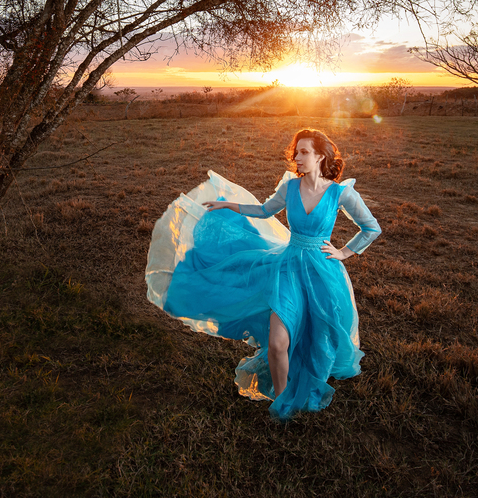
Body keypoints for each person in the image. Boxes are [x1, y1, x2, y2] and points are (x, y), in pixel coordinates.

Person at [143, 128, 381, 420]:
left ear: (320, 155)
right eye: (296, 152)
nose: (298, 157)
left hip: (322, 273)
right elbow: (265, 210)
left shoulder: (340, 193)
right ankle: (282, 405)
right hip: (288, 268)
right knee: (278, 342)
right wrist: (228, 205)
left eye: (304, 151)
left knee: (318, 332)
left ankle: (309, 373)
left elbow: (371, 228)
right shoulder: (290, 188)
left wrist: (344, 251)